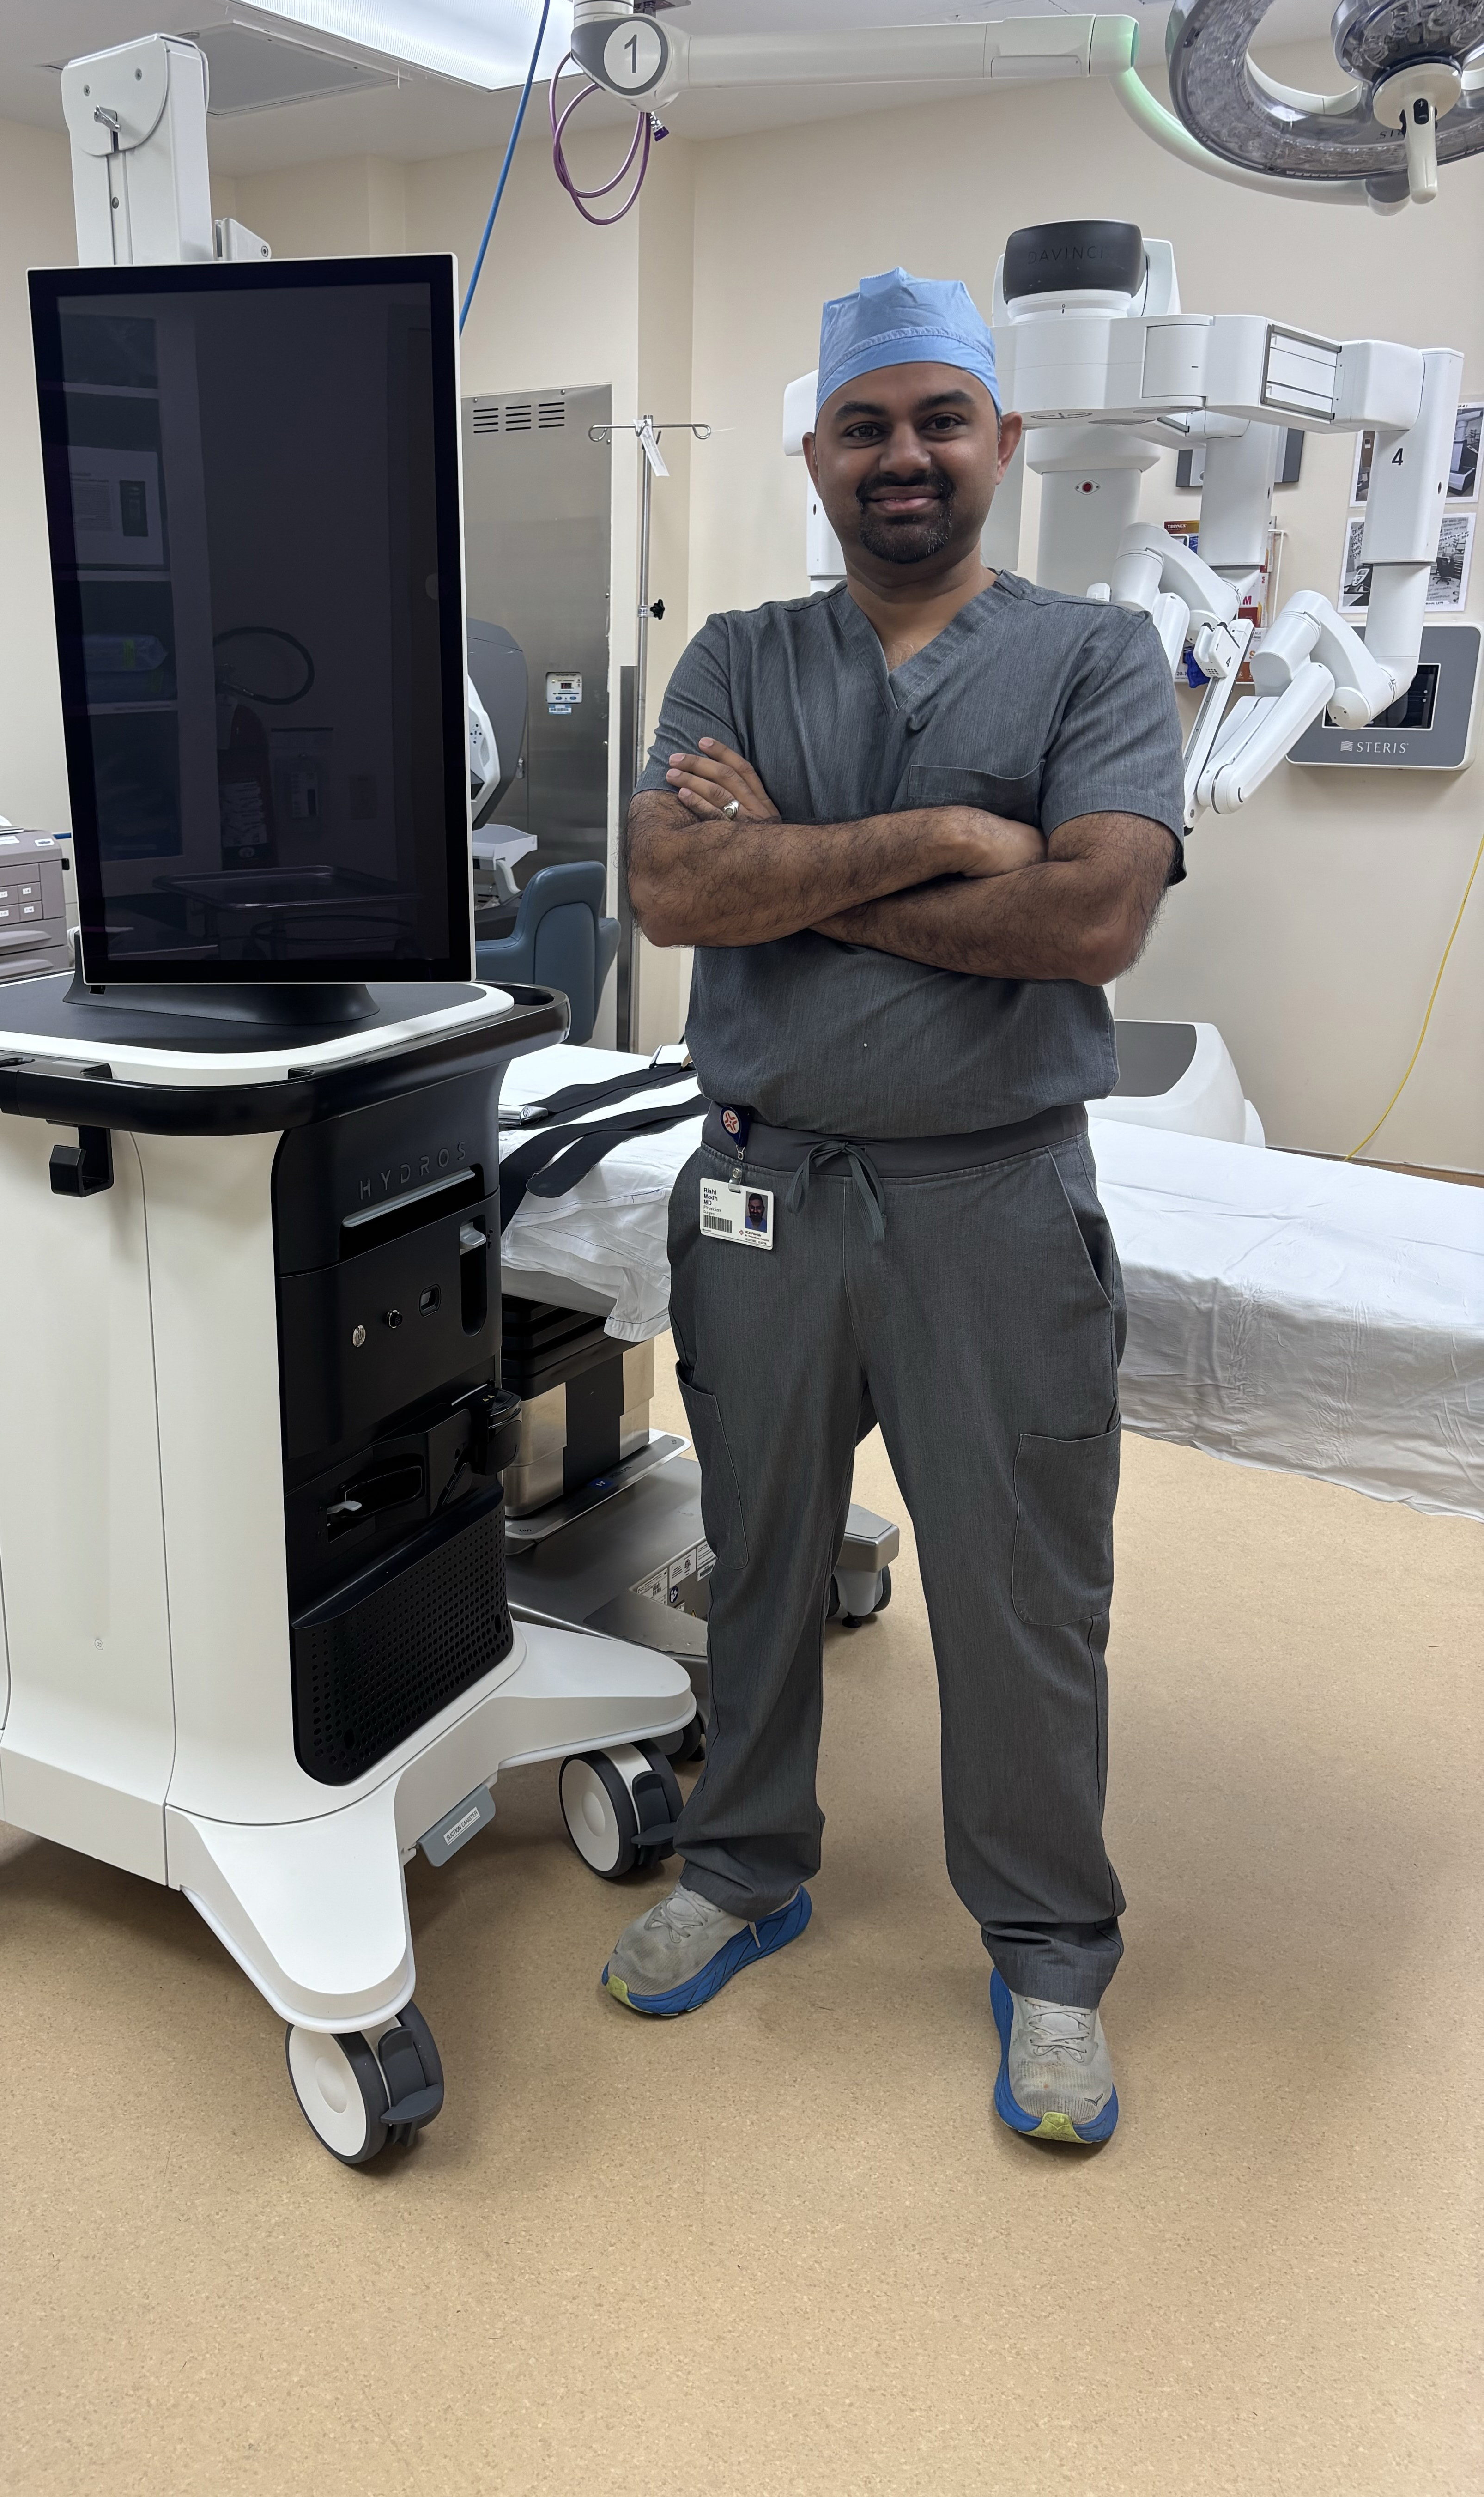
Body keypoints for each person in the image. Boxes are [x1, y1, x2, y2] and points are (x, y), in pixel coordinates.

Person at [609, 267, 1184, 2147]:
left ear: (1002, 442)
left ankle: (1047, 1956)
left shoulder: (1094, 657)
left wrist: (789, 857)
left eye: (941, 419)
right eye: (867, 425)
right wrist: (947, 842)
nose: (905, 455)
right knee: (760, 1548)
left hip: (993, 1200)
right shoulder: (737, 658)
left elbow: (1091, 919)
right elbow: (674, 897)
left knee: (1024, 1592)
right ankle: (745, 1860)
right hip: (764, 1184)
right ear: (819, 456)